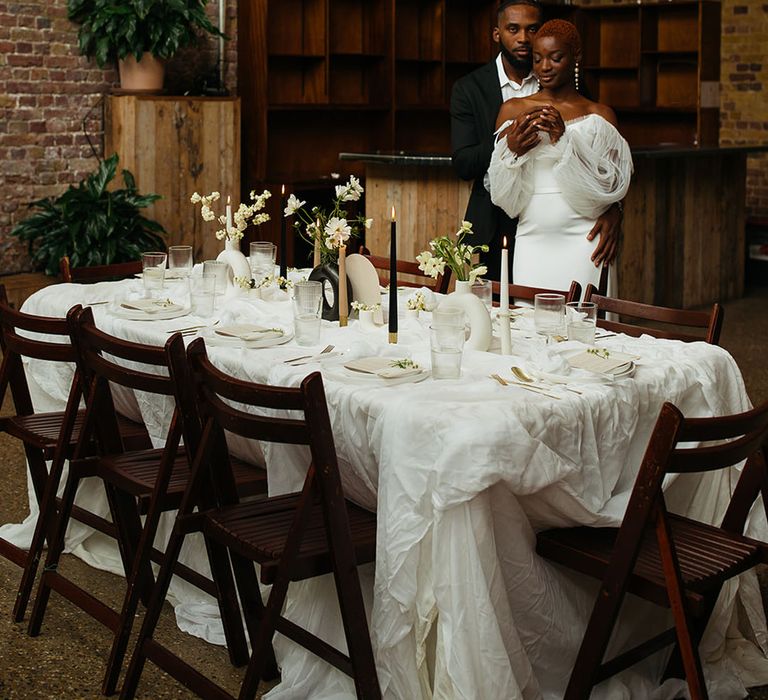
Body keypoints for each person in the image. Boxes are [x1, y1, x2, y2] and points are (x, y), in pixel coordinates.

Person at [450, 0, 622, 282]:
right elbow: (464, 163)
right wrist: (507, 144)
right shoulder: (469, 88)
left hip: (579, 226)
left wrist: (615, 208)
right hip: (499, 224)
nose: (523, 38)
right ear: (497, 33)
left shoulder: (572, 85)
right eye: (513, 29)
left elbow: (601, 159)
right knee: (510, 317)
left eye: (532, 29)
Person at [488, 19, 632, 294]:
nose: (544, 67)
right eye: (538, 58)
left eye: (555, 58)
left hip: (585, 234)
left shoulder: (600, 116)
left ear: (575, 57)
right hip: (533, 234)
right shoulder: (513, 109)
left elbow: (615, 183)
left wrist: (563, 140)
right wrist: (512, 152)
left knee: (580, 323)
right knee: (529, 325)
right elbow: (499, 190)